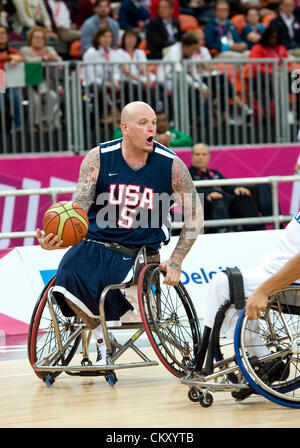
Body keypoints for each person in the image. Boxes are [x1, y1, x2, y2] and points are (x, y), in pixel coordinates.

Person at [36, 100, 203, 366]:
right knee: (65, 275)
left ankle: (104, 335)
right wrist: (57, 241)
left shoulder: (171, 165)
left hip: (138, 253)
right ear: (125, 128)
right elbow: (77, 210)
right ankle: (102, 340)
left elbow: (196, 215)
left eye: (154, 123)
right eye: (144, 123)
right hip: (95, 244)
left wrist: (177, 259)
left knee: (114, 286)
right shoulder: (98, 158)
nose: (153, 129)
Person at [203, 211, 300, 400]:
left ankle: (265, 363)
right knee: (222, 284)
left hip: (288, 280)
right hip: (271, 270)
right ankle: (263, 359)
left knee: (224, 284)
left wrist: (263, 291)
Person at [188, 143, 264, 232]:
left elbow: (227, 186)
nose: (200, 157)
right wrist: (207, 195)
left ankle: (256, 229)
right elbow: (187, 192)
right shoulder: (187, 174)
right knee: (217, 200)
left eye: (204, 154)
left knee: (242, 197)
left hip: (223, 203)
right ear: (192, 156)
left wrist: (236, 189)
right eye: (197, 154)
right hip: (203, 205)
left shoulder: (214, 173)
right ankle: (222, 230)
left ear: (209, 157)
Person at [19, 26, 62, 131]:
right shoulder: (25, 50)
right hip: (29, 85)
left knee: (52, 97)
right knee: (35, 100)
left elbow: (59, 61)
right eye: (35, 37)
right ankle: (33, 125)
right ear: (30, 39)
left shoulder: (49, 49)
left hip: (45, 83)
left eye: (41, 38)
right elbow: (28, 61)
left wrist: (55, 58)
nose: (38, 40)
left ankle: (45, 122)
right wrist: (45, 58)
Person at [82, 26, 121, 120]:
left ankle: (125, 115)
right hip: (90, 85)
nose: (107, 39)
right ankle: (103, 115)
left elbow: (116, 71)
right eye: (104, 36)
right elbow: (91, 77)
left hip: (108, 84)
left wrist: (115, 81)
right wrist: (107, 84)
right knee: (100, 88)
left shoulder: (113, 53)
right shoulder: (91, 53)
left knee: (128, 85)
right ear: (98, 38)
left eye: (110, 36)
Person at [114, 29, 155, 105]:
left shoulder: (140, 52)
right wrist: (141, 81)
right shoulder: (119, 53)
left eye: (133, 37)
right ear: (124, 39)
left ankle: (157, 112)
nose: (131, 40)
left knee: (157, 87)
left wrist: (148, 80)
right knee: (137, 89)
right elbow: (126, 70)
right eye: (128, 37)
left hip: (139, 81)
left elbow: (144, 68)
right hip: (126, 80)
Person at [0, 24, 23, 132]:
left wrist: (17, 58)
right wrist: (10, 58)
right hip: (0, 81)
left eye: (3, 33)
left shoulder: (12, 50)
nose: (1, 35)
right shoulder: (11, 54)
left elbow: (21, 58)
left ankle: (18, 127)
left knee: (16, 98)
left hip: (10, 82)